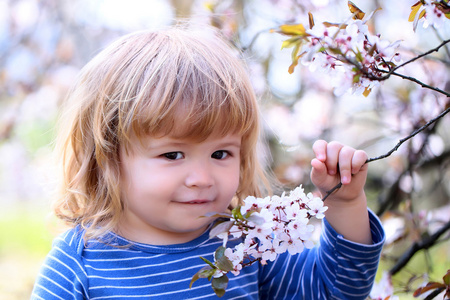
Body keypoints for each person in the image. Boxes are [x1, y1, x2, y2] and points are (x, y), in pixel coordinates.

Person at [31, 25, 385, 300]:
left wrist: (345, 203)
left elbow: (336, 290)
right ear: (108, 157)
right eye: (172, 155)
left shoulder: (247, 243)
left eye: (221, 154)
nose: (201, 178)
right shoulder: (79, 266)